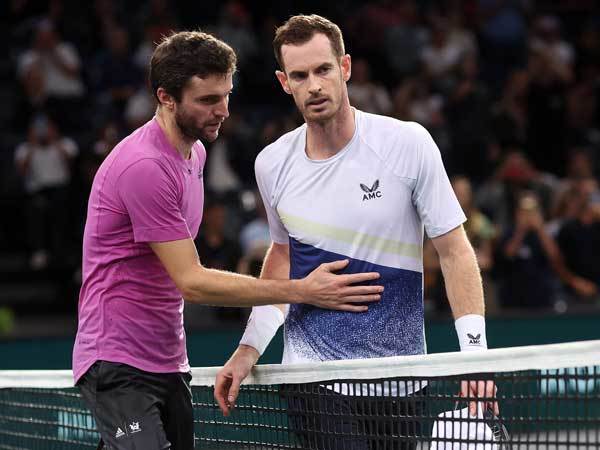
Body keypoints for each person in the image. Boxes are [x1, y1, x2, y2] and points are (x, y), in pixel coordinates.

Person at [72, 30, 384, 450]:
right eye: (207, 101)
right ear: (166, 97)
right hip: (117, 362)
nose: (223, 111)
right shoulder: (143, 167)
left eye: (226, 95)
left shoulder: (196, 153)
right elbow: (193, 282)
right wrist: (302, 291)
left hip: (166, 360)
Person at [215, 14, 497, 450]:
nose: (314, 86)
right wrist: (249, 346)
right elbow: (283, 255)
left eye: (323, 70)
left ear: (344, 68)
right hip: (314, 374)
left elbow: (454, 251)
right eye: (300, 75)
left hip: (401, 380)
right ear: (283, 82)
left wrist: (475, 358)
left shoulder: (408, 143)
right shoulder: (272, 164)